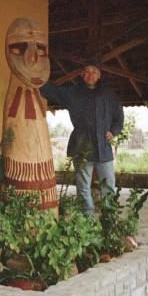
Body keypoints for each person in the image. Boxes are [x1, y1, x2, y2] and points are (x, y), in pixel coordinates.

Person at [40, 58, 124, 215]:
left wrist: (113, 131)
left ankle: (109, 221)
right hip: (81, 147)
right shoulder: (72, 93)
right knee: (83, 187)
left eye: (93, 72)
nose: (89, 75)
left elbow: (119, 118)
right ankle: (86, 223)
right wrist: (35, 79)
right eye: (86, 72)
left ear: (99, 75)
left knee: (108, 187)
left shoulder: (109, 95)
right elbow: (52, 90)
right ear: (81, 74)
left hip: (103, 149)